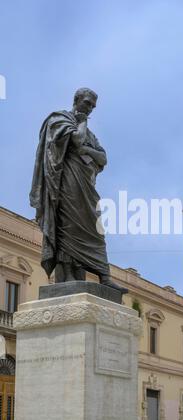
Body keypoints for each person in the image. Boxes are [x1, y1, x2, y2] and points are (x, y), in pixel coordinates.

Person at [30, 87, 125, 292]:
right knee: (68, 227)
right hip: (67, 185)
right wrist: (81, 124)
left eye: (92, 106)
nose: (90, 109)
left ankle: (104, 275)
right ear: (76, 100)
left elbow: (103, 158)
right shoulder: (59, 120)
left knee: (96, 228)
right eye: (87, 103)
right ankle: (70, 274)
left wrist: (87, 149)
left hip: (87, 187)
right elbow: (76, 140)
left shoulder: (89, 133)